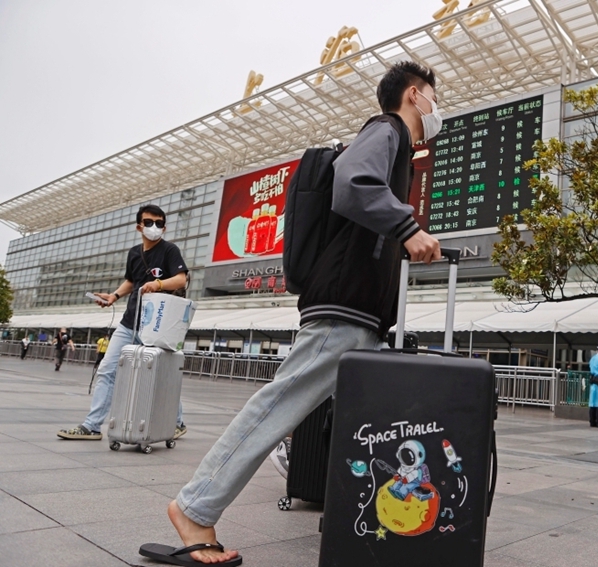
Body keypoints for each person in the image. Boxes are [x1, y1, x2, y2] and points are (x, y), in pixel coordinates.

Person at [145, 61, 442, 567]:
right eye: (436, 95)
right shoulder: (386, 130)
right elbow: (352, 182)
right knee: (277, 407)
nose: (440, 106)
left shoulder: (398, 147)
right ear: (414, 95)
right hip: (343, 308)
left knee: (363, 427)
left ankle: (378, 523)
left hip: (358, 313)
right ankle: (195, 507)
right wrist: (407, 228)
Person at [57, 204, 189, 441]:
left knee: (161, 375)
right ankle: (92, 426)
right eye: (149, 222)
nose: (154, 227)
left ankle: (177, 422)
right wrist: (114, 296)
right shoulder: (134, 253)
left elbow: (181, 279)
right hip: (129, 323)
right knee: (107, 371)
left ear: (164, 227)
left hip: (156, 326)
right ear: (139, 226)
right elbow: (132, 281)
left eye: (159, 223)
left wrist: (157, 284)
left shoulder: (170, 250)